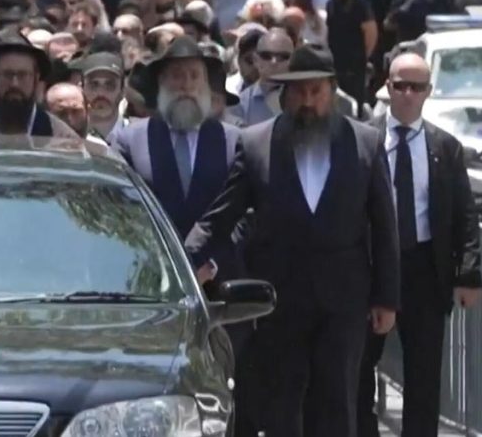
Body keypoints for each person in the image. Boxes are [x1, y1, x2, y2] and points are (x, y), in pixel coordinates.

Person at [184, 44, 399, 437]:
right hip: (280, 301)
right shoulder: (256, 144)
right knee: (281, 404)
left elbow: (384, 224)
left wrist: (386, 298)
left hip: (344, 300)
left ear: (332, 91)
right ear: (285, 94)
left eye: (316, 91)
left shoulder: (365, 143)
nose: (308, 101)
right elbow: (220, 216)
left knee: (337, 402)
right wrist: (183, 261)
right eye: (299, 91)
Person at [357, 53, 481, 437]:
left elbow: (465, 214)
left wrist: (469, 275)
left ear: (428, 91)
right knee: (359, 370)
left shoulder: (445, 147)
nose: (408, 94)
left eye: (417, 87)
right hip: (372, 270)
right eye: (400, 86)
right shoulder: (363, 140)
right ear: (387, 87)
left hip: (425, 269)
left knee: (424, 378)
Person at [110, 35, 241, 281]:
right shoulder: (132, 140)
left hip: (219, 281)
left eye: (194, 76)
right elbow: (123, 210)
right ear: (161, 82)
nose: (186, 85)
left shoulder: (232, 141)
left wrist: (211, 264)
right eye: (177, 76)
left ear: (206, 84)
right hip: (150, 274)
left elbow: (243, 214)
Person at [0, 32, 78, 137]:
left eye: (23, 75)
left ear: (36, 79)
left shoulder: (62, 138)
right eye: (7, 75)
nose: (15, 84)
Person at [327, 0, 377, 110]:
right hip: (336, 65)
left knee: (355, 105)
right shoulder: (331, 3)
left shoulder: (359, 2)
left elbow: (371, 31)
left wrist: (363, 56)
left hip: (355, 67)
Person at [229, 28, 293, 127]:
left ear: (293, 60)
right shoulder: (241, 104)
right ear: (255, 60)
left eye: (283, 56)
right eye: (266, 56)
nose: (274, 62)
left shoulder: (305, 97)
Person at [80, 52, 127, 141]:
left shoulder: (139, 137)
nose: (101, 93)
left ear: (122, 91)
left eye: (110, 85)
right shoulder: (70, 137)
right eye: (93, 85)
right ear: (81, 89)